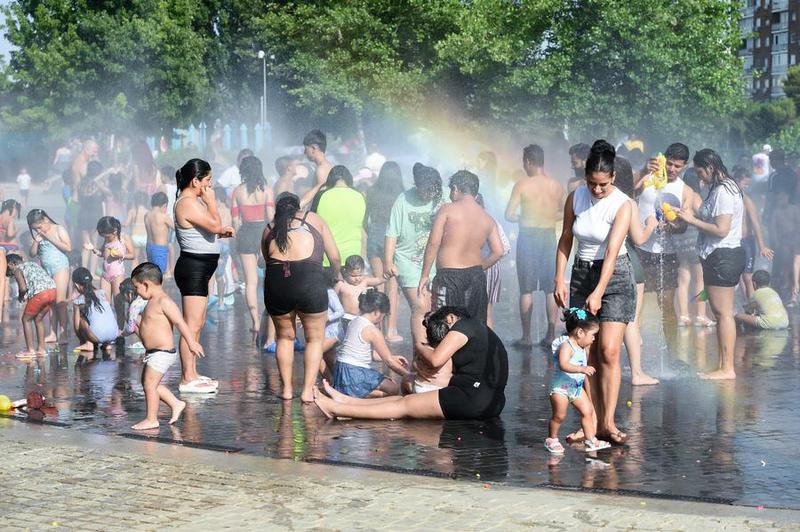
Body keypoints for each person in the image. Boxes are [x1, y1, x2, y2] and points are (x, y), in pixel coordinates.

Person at [554, 140, 633, 444]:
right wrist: (559, 278)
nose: (597, 190)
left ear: (613, 177)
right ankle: (591, 420)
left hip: (614, 278)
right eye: (592, 183)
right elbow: (565, 238)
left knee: (608, 351)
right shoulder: (575, 197)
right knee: (584, 351)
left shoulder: (623, 204)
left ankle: (608, 423)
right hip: (581, 274)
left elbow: (612, 252)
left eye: (603, 184)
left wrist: (599, 290)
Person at [313, 305, 508, 421]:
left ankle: (337, 409)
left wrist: (418, 345)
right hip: (485, 399)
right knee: (403, 400)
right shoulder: (477, 331)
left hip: (475, 399)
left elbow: (435, 359)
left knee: (404, 405)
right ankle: (346, 401)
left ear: (450, 318)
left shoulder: (465, 325)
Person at [261, 193, 341, 402]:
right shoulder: (313, 219)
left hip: (278, 284)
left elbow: (267, 260)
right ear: (298, 208)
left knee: (284, 338)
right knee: (314, 339)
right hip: (310, 282)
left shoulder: (269, 228)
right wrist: (335, 276)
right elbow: (335, 257)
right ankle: (306, 392)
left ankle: (287, 390)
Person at [677, 149, 745, 380]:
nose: (700, 177)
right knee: (720, 313)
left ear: (710, 167)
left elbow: (721, 229)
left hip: (723, 256)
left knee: (723, 314)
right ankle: (723, 365)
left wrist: (691, 220)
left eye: (700, 172)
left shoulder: (724, 191)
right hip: (719, 255)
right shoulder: (720, 188)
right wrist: (688, 215)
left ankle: (727, 368)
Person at [174, 158, 234, 393]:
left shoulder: (192, 201)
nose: (209, 185)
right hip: (193, 268)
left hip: (200, 267)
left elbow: (209, 229)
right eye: (207, 180)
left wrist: (219, 233)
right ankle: (187, 377)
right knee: (191, 325)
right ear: (195, 181)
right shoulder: (187, 203)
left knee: (197, 324)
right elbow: (215, 224)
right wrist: (212, 203)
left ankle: (192, 372)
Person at [419, 170, 504, 325]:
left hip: (449, 277)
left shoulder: (446, 210)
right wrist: (479, 267)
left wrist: (424, 275)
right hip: (476, 277)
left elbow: (433, 243)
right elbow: (499, 251)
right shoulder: (487, 218)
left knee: (443, 326)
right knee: (473, 327)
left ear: (455, 189)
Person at [129, 262, 204, 430]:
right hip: (154, 352)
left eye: (136, 287)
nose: (136, 291)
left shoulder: (164, 301)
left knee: (149, 384)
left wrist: (192, 342)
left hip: (162, 353)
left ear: (146, 284)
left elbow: (180, 323)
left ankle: (151, 419)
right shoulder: (151, 301)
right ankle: (175, 403)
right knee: (149, 383)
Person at [504, 144, 564, 346]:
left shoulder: (522, 185)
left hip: (528, 237)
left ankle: (527, 337)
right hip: (548, 236)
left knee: (526, 289)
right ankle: (551, 335)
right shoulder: (556, 185)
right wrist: (548, 216)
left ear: (528, 162)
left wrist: (525, 217)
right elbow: (564, 212)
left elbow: (509, 214)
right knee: (550, 289)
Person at [636, 143, 693, 338]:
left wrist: (671, 227)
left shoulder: (685, 191)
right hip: (641, 248)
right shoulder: (649, 177)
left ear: (685, 166)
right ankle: (636, 347)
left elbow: (684, 225)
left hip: (667, 252)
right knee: (636, 305)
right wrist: (643, 171)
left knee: (667, 305)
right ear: (663, 159)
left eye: (677, 166)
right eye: (669, 164)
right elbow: (626, 193)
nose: (672, 169)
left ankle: (672, 350)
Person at [384, 163, 442, 353]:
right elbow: (391, 232)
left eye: (433, 190)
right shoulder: (403, 200)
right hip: (408, 260)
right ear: (417, 186)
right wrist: (388, 261)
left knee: (434, 308)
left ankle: (432, 351)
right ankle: (421, 353)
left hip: (435, 263)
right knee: (420, 305)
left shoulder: (444, 196)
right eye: (425, 190)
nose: (429, 194)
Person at [614, 157, 660, 386]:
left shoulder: (596, 200)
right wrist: (651, 224)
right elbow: (639, 238)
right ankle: (637, 373)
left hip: (601, 263)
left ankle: (610, 366)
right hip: (629, 262)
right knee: (631, 320)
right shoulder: (627, 202)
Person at [545, 308, 610, 454]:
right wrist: (582, 369)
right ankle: (552, 439)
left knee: (588, 411)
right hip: (561, 389)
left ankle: (590, 439)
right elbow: (563, 364)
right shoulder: (566, 346)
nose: (594, 339)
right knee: (559, 416)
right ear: (580, 333)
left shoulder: (581, 347)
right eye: (592, 335)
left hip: (575, 388)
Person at [333, 291, 409, 398]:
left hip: (341, 369)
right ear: (377, 312)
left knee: (386, 382)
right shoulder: (372, 331)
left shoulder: (353, 322)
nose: (382, 319)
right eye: (384, 316)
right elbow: (389, 362)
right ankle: (355, 395)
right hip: (355, 372)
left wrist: (393, 357)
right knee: (393, 389)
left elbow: (370, 354)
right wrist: (408, 375)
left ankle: (349, 392)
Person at [232, 155, 275, 337]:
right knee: (269, 278)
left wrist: (237, 239)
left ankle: (256, 322)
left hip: (246, 234)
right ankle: (269, 317)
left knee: (250, 282)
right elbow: (271, 218)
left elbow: (235, 221)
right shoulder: (267, 190)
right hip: (263, 233)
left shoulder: (237, 192)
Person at [364, 161, 405, 342]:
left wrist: (372, 233)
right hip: (393, 240)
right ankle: (391, 330)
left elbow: (365, 221)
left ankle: (377, 329)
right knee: (392, 287)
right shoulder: (401, 195)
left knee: (379, 284)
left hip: (375, 236)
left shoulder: (372, 192)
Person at [28, 209, 72, 344]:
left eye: (39, 227)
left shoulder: (59, 229)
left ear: (46, 219)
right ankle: (53, 334)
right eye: (35, 229)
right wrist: (36, 242)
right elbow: (32, 254)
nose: (38, 230)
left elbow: (68, 247)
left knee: (60, 302)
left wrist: (49, 237)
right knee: (51, 302)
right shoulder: (38, 235)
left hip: (60, 267)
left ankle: (63, 333)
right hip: (46, 270)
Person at [313, 166, 367, 268]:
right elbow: (364, 230)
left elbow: (312, 224)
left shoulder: (321, 195)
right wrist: (363, 257)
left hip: (328, 257)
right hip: (354, 257)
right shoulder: (360, 196)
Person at [732, 167, 773, 298]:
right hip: (731, 241)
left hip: (746, 242)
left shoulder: (747, 201)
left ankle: (751, 305)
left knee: (748, 277)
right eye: (745, 184)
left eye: (749, 185)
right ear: (736, 181)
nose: (747, 187)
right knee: (729, 274)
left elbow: (756, 224)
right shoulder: (727, 198)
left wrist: (762, 246)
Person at [6, 253, 56, 357]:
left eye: (8, 269)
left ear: (12, 264)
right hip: (52, 291)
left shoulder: (18, 269)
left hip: (41, 294)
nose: (10, 272)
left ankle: (30, 350)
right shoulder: (33, 264)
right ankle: (41, 349)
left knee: (26, 319)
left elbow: (23, 288)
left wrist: (20, 296)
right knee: (38, 319)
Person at [477, 194, 511, 329]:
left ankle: (486, 340)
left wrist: (484, 263)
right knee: (485, 309)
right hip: (489, 267)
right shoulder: (490, 219)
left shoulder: (489, 220)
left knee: (485, 310)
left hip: (487, 268)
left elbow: (505, 248)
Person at [71, 267, 119, 352]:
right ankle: (107, 344)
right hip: (114, 333)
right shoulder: (102, 293)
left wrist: (82, 340)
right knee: (102, 316)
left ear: (76, 285)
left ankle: (88, 344)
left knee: (82, 320)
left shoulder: (78, 301)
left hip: (98, 336)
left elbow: (77, 327)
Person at [87, 216, 134, 301]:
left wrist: (120, 255)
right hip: (105, 275)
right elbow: (103, 253)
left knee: (118, 302)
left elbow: (132, 255)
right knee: (104, 302)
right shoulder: (106, 240)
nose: (105, 238)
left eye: (107, 236)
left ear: (115, 232)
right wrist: (94, 250)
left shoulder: (123, 238)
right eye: (104, 237)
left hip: (117, 275)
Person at [767, 188, 800, 295]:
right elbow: (773, 228)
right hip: (783, 242)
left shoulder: (794, 209)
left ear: (788, 198)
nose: (781, 200)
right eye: (780, 199)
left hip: (795, 240)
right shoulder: (776, 212)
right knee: (785, 263)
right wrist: (776, 242)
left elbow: (798, 225)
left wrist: (797, 238)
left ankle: (795, 283)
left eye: (783, 198)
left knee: (796, 263)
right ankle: (786, 281)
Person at [145, 192, 174, 274]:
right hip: (160, 248)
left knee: (152, 273)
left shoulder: (147, 215)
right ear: (164, 205)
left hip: (149, 247)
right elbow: (176, 228)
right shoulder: (163, 217)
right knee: (160, 274)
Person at [125, 191, 149, 265]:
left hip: (135, 237)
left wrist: (119, 223)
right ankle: (146, 271)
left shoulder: (132, 211)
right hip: (145, 237)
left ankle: (134, 271)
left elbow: (126, 224)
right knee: (146, 258)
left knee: (135, 258)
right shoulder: (148, 212)